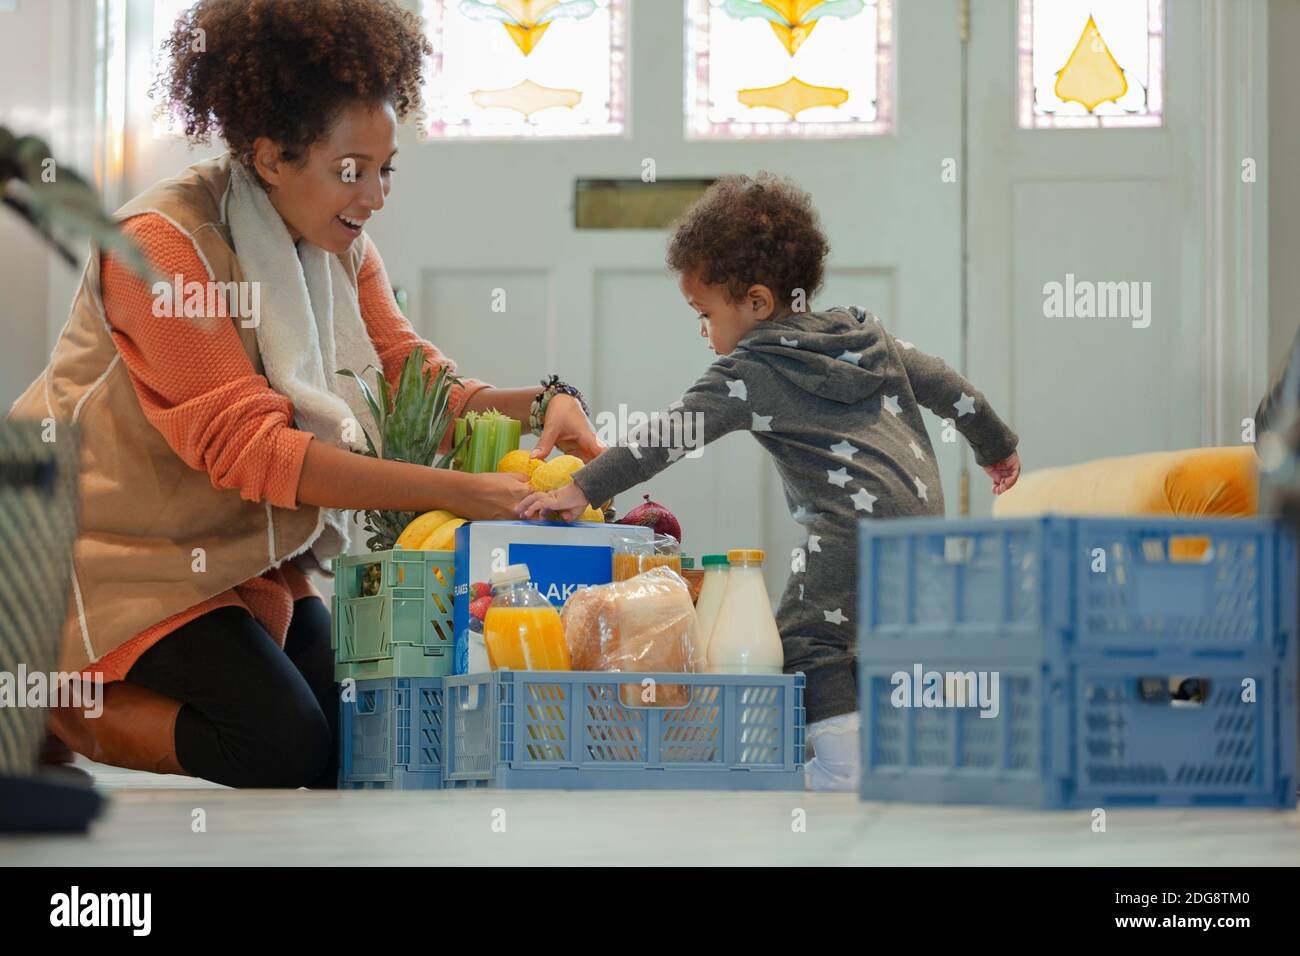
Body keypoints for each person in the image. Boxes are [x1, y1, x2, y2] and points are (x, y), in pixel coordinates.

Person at [7, 0, 600, 788]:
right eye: (352, 170)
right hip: (100, 553)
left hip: (228, 556)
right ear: (272, 156)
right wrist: (468, 493)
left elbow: (415, 380)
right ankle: (49, 696)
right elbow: (256, 454)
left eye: (387, 169)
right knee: (279, 745)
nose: (377, 195)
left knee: (351, 744)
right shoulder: (159, 248)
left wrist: (546, 402)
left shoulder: (334, 245)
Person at [519, 173, 1021, 791]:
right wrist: (996, 448)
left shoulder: (751, 371)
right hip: (921, 519)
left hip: (848, 528)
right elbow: (947, 384)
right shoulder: (869, 337)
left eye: (705, 314)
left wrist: (581, 487)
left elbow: (666, 437)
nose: (703, 330)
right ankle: (909, 752)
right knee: (885, 639)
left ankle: (844, 767)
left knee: (808, 640)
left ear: (756, 302)